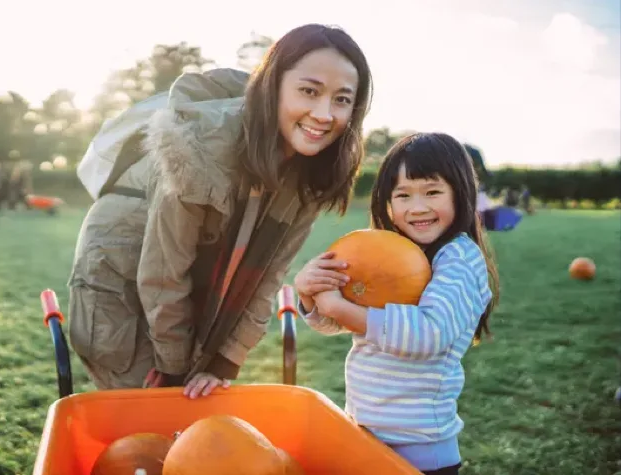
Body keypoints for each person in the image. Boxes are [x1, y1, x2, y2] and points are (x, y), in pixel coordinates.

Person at [67, 23, 373, 399]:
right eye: (309, 91)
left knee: (190, 407)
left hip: (187, 282)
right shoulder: (199, 147)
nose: (324, 114)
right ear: (273, 85)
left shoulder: (312, 172)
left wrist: (225, 359)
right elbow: (164, 270)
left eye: (342, 99)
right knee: (147, 411)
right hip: (121, 274)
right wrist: (174, 365)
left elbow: (268, 275)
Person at [293, 132, 500, 474]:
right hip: (366, 435)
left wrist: (338, 307)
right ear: (388, 202)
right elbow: (344, 322)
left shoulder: (459, 259)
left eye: (432, 192)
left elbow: (429, 334)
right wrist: (311, 295)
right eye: (403, 195)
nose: (417, 208)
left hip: (419, 450)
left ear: (461, 193)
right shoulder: (391, 251)